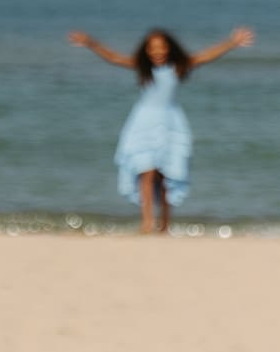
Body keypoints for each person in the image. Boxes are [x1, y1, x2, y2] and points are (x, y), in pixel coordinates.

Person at [67, 26, 254, 233]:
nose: (157, 51)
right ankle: (147, 222)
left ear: (169, 48)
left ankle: (165, 223)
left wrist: (232, 43)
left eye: (161, 47)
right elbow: (114, 58)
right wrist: (90, 43)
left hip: (170, 124)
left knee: (166, 177)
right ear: (146, 50)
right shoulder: (142, 68)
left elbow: (206, 56)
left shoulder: (178, 67)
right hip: (143, 123)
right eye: (152, 48)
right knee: (145, 173)